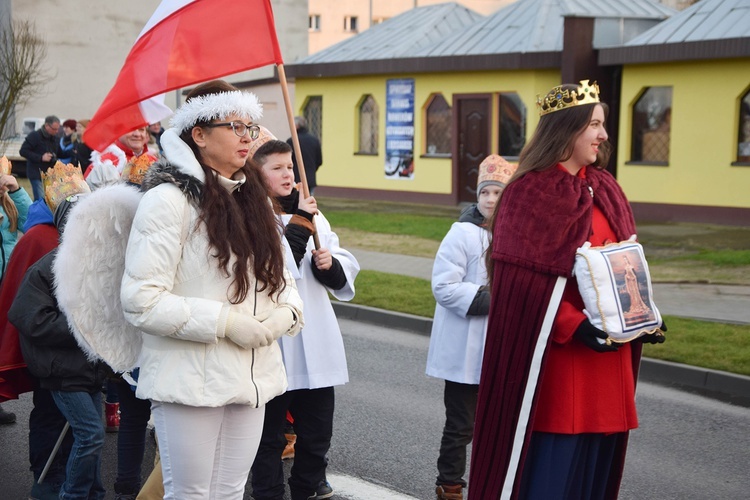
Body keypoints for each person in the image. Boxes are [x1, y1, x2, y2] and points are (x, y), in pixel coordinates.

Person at [468, 80, 666, 500]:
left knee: (593, 476)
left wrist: (641, 314)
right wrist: (572, 325)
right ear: (567, 129)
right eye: (594, 124)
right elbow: (519, 286)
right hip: (561, 362)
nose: (604, 135)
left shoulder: (607, 188)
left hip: (609, 361)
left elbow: (624, 264)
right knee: (553, 477)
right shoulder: (528, 193)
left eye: (602, 125)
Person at [119, 79, 304, 499]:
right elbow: (141, 300)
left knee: (230, 491)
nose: (246, 137)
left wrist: (283, 315)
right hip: (190, 381)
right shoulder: (168, 200)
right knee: (191, 493)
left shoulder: (254, 199)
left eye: (251, 127)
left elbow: (284, 280)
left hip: (253, 376)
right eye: (233, 126)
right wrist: (226, 323)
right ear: (198, 135)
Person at [249, 133, 359, 500]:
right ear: (255, 173)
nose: (288, 175)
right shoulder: (250, 215)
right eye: (277, 168)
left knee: (316, 435)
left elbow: (341, 257)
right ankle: (268, 493)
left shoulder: (312, 212)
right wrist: (299, 224)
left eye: (290, 167)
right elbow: (271, 269)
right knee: (269, 437)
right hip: (276, 343)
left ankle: (307, 487)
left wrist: (331, 265)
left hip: (316, 335)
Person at [10, 194, 110, 500]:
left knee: (92, 436)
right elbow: (30, 318)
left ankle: (92, 491)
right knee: (90, 434)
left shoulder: (99, 267)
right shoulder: (46, 268)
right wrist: (84, 326)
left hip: (89, 370)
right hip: (62, 371)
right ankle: (72, 494)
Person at [427, 155, 514, 500]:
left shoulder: (515, 235)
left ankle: (492, 482)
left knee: (496, 424)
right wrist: (499, 300)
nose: (491, 199)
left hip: (500, 346)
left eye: (498, 192)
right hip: (465, 349)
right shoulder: (461, 234)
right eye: (485, 193)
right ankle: (450, 483)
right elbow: (444, 287)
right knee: (461, 425)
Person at [0, 165, 85, 499]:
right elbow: (24, 309)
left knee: (83, 427)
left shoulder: (86, 238)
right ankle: (46, 478)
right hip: (49, 352)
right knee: (50, 413)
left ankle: (80, 482)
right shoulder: (39, 239)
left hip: (81, 356)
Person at [20, 115, 68, 201]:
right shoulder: (34, 136)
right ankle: (37, 214)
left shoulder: (55, 138)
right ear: (46, 126)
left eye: (57, 129)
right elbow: (23, 151)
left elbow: (60, 153)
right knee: (40, 199)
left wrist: (74, 150)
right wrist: (41, 158)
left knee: (51, 199)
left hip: (50, 174)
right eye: (54, 129)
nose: (56, 131)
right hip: (36, 173)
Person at [84, 127, 157, 179]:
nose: (137, 134)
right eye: (131, 129)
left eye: (141, 129)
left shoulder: (154, 161)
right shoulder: (101, 162)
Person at [286, 116, 322, 194]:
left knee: (297, 204)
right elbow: (319, 161)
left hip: (296, 180)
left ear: (296, 126)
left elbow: (286, 160)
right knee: (309, 202)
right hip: (310, 179)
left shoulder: (291, 141)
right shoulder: (315, 140)